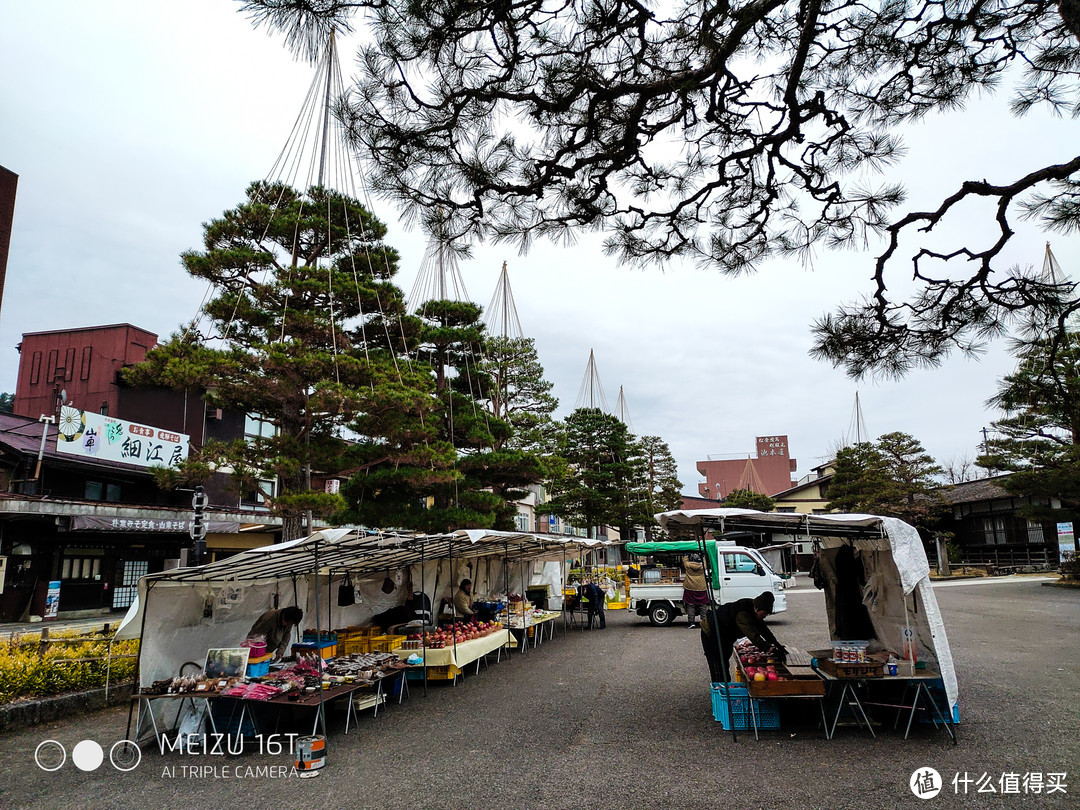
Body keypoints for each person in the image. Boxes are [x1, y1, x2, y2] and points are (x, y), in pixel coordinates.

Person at [700, 592, 785, 682]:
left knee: (724, 661)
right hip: (711, 632)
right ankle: (720, 688)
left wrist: (776, 644)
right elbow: (753, 636)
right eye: (763, 614)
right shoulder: (743, 613)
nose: (764, 617)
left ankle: (726, 685)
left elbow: (764, 630)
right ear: (757, 609)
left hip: (725, 635)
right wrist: (769, 648)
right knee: (717, 663)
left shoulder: (754, 610)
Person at [681, 553, 709, 629]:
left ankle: (691, 622)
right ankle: (704, 622)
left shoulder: (688, 565)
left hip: (690, 587)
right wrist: (703, 556)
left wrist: (686, 555)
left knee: (690, 606)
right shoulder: (702, 566)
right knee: (703, 606)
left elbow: (685, 561)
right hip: (701, 588)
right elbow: (705, 561)